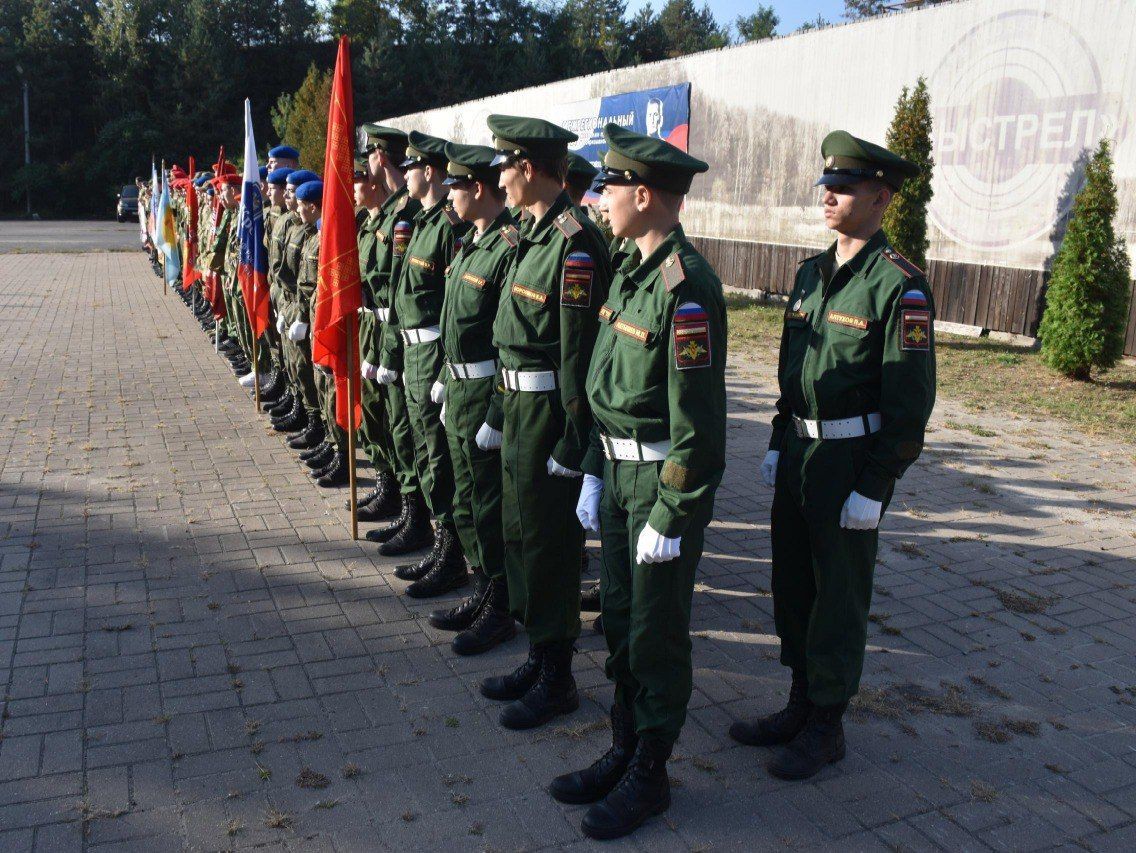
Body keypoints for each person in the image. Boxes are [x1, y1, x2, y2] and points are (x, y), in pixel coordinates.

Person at [728, 130, 936, 780]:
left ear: (881, 196)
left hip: (849, 465)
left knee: (838, 595)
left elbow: (910, 405)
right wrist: (774, 438)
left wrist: (877, 485)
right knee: (793, 584)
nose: (829, 193)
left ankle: (828, 724)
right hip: (798, 455)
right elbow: (795, 371)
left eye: (844, 185)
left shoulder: (899, 287)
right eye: (826, 182)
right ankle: (798, 700)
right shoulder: (810, 274)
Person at [550, 123, 723, 840]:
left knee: (655, 633)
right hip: (618, 474)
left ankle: (650, 771)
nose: (598, 198)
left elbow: (700, 428)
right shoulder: (628, 269)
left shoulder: (688, 290)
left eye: (610, 186)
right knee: (620, 621)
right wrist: (593, 467)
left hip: (656, 485)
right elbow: (600, 384)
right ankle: (623, 746)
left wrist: (673, 511)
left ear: (644, 195)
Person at [477, 114, 612, 730]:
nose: (498, 180)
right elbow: (513, 341)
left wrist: (574, 441)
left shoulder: (575, 242)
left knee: (552, 547)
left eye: (503, 167)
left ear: (528, 168)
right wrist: (500, 413)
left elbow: (580, 356)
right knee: (521, 536)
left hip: (551, 418)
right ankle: (539, 652)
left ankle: (558, 676)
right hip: (517, 409)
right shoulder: (528, 237)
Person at [428, 141, 518, 652]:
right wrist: (444, 374)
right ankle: (482, 589)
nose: (449, 197)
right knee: (466, 501)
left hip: (486, 391)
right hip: (459, 387)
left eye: (455, 187)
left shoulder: (507, 247)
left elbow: (507, 338)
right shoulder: (470, 242)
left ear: (477, 189)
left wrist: (496, 410)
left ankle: (500, 605)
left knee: (488, 506)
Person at [374, 131, 469, 596]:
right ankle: (434, 539)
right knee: (419, 448)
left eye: (409, 167)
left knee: (439, 457)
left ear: (427, 171)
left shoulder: (449, 227)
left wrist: (445, 369)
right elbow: (398, 292)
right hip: (411, 349)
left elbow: (454, 306)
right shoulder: (424, 223)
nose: (402, 174)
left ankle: (450, 554)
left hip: (432, 352)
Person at [355, 125, 422, 531]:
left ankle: (413, 513)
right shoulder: (380, 217)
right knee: (380, 418)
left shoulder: (405, 214)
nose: (365, 167)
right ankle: (391, 491)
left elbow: (399, 288)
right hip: (374, 326)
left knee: (401, 425)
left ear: (381, 157)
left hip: (395, 330)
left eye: (369, 158)